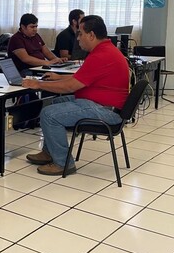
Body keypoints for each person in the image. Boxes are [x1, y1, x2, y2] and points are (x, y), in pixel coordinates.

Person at [22, 15, 129, 176]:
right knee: (52, 104)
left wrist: (38, 84)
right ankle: (50, 151)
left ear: (91, 35)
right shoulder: (105, 50)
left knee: (49, 114)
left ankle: (63, 163)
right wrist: (59, 77)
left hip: (105, 111)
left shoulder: (101, 55)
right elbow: (83, 79)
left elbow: (71, 87)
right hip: (103, 104)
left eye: (80, 34)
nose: (78, 38)